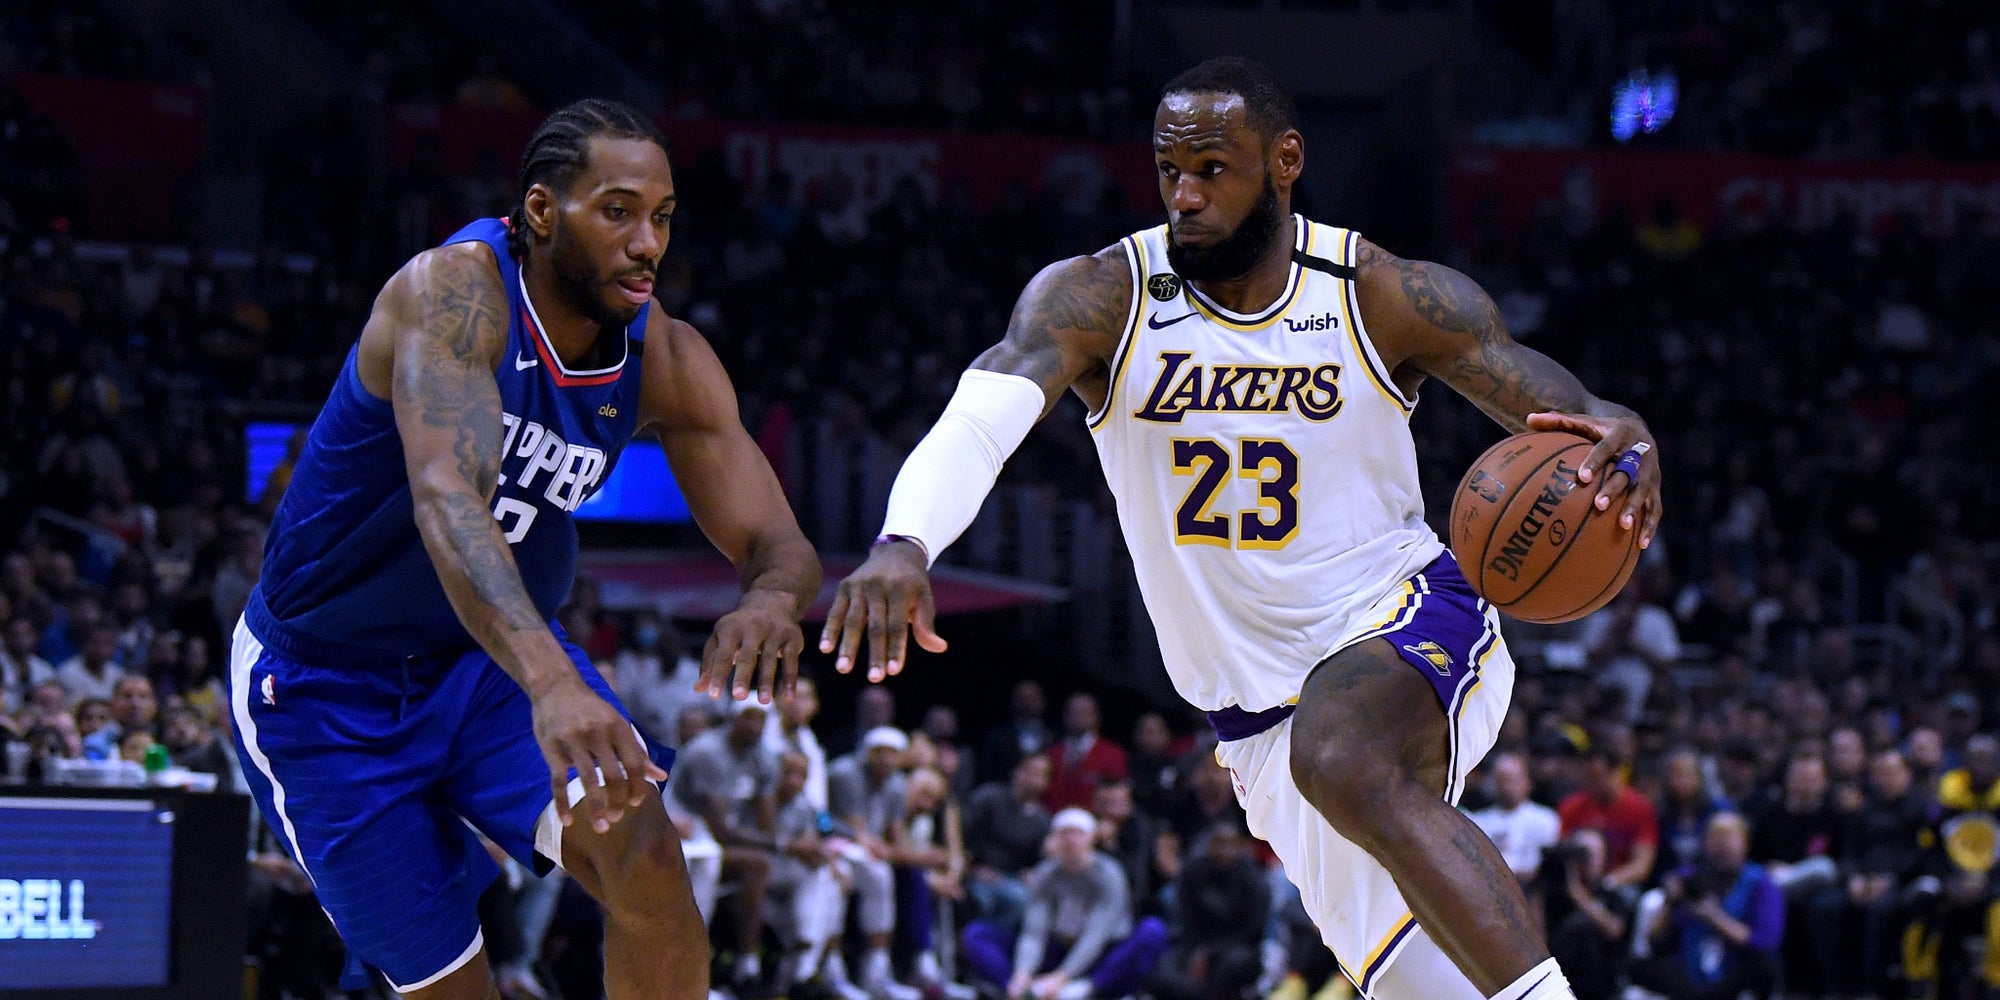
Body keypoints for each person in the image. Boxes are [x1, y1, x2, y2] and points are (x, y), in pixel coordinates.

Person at [823, 56, 1661, 1000]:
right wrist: (904, 541)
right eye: (1169, 169)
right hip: (1257, 725)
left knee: (1341, 753)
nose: (1185, 195)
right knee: (1422, 983)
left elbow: (1581, 419)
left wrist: (1626, 443)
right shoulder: (1103, 297)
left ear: (1285, 160)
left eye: (1212, 169)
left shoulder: (1378, 293)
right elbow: (982, 420)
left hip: (1400, 616)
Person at [226, 99, 820, 999]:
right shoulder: (453, 295)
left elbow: (777, 540)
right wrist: (553, 684)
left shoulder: (665, 357)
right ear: (542, 210)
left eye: (661, 217)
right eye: (617, 212)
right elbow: (448, 501)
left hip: (486, 665)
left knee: (649, 860)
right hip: (325, 689)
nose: (647, 244)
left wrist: (769, 600)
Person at [961, 808, 1170, 1000]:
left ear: (1092, 837)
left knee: (1152, 931)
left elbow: (1097, 934)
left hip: (1102, 953)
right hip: (1058, 946)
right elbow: (1034, 931)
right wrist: (1022, 973)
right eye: (1064, 834)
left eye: (1077, 834)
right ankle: (1019, 991)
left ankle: (1086, 989)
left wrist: (1063, 977)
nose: (1071, 840)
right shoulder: (1046, 874)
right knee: (977, 934)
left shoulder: (1109, 874)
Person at [1629, 812, 1782, 1000]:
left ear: (1745, 843)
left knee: (1765, 969)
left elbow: (1764, 943)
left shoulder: (1760, 883)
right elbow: (1656, 942)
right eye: (1714, 837)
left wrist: (1714, 917)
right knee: (1634, 966)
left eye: (1728, 837)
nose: (1720, 845)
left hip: (1733, 970)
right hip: (1687, 970)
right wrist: (1669, 902)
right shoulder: (1689, 877)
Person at [1469, 752, 1562, 885]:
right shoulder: (1478, 821)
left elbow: (1546, 867)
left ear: (1528, 782)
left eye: (1513, 780)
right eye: (1502, 780)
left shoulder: (1546, 819)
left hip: (1532, 888)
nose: (1508, 787)